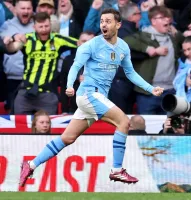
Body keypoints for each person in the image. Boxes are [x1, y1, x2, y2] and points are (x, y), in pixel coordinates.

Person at [19, 8, 164, 187]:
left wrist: (151, 89)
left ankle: (30, 164)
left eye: (108, 21)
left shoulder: (123, 47)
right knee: (124, 122)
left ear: (118, 25)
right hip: (88, 94)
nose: (103, 24)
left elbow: (131, 73)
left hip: (95, 98)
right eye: (102, 21)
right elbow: (75, 66)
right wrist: (70, 85)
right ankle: (117, 170)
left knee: (67, 138)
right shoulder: (91, 45)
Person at [12, 12, 77, 115]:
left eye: (46, 26)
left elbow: (79, 44)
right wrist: (14, 36)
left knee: (46, 127)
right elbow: (10, 48)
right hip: (25, 93)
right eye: (40, 26)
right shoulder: (27, 39)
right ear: (34, 27)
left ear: (50, 25)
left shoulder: (58, 39)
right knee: (20, 127)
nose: (44, 29)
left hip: (48, 94)